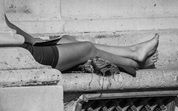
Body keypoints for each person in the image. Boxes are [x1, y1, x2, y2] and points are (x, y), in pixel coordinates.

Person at [5, 15, 159, 76]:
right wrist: (33, 41)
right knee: (87, 49)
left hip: (25, 49)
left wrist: (36, 40)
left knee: (66, 39)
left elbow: (9, 27)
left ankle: (134, 52)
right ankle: (136, 61)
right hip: (25, 55)